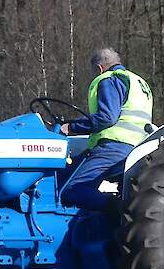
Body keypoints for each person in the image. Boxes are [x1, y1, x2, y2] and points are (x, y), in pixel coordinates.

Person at [60, 48, 153, 211]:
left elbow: (107, 117)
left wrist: (72, 127)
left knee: (72, 190)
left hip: (113, 147)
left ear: (99, 69)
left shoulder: (109, 79)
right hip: (139, 149)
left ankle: (118, 212)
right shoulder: (139, 82)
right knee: (68, 172)